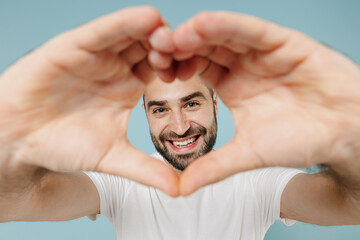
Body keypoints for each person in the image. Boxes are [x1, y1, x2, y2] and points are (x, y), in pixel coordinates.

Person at [0, 5, 359, 240]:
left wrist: (348, 137)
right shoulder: (120, 184)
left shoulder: (258, 183)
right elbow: (12, 204)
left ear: (215, 102)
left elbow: (351, 204)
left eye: (191, 103)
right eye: (160, 109)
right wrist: (11, 136)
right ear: (145, 114)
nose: (180, 126)